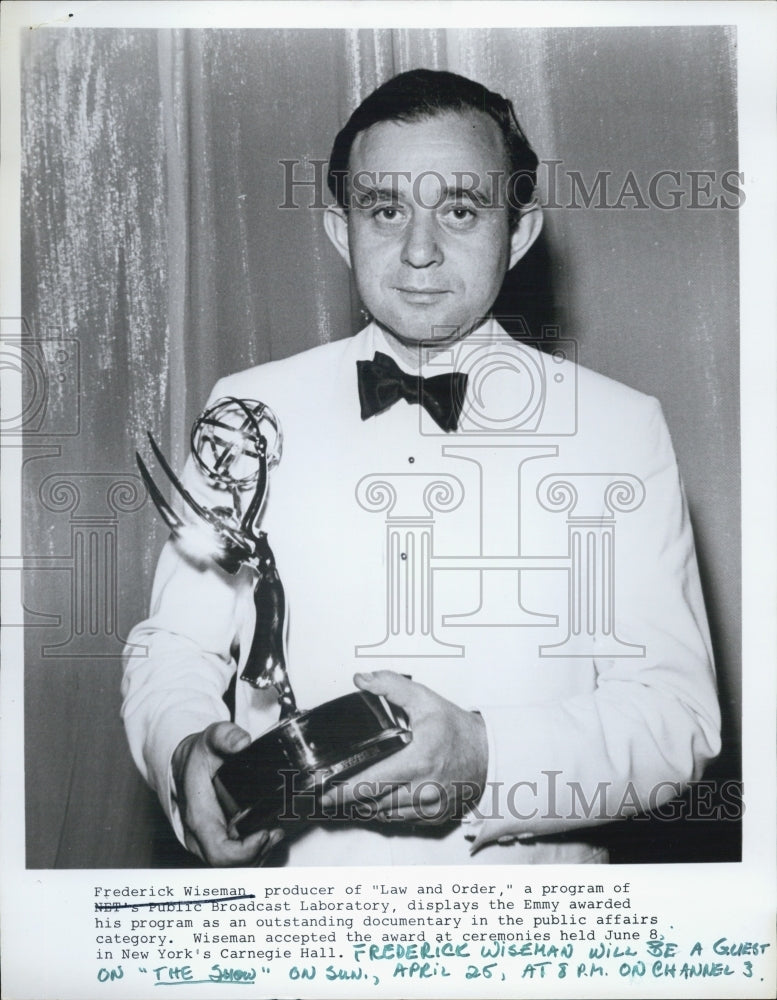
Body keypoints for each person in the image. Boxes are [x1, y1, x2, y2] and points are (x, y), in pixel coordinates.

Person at [122, 69, 721, 868]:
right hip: (292, 939)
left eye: (462, 211)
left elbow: (678, 715)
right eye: (385, 209)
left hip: (537, 947)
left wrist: (486, 759)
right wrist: (184, 751)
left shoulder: (620, 427)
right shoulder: (246, 409)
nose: (418, 251)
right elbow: (174, 644)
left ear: (520, 229)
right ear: (341, 229)